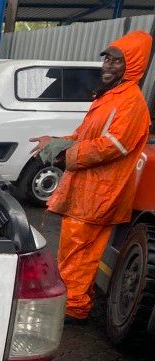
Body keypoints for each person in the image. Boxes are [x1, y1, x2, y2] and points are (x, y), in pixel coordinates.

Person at [30, 30, 153, 324]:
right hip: (88, 190)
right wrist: (55, 142)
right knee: (74, 250)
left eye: (116, 61)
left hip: (101, 193)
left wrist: (67, 154)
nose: (108, 66)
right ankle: (71, 301)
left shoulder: (131, 103)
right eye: (107, 59)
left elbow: (112, 146)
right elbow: (84, 136)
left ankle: (73, 308)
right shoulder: (110, 97)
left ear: (132, 66)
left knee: (80, 253)